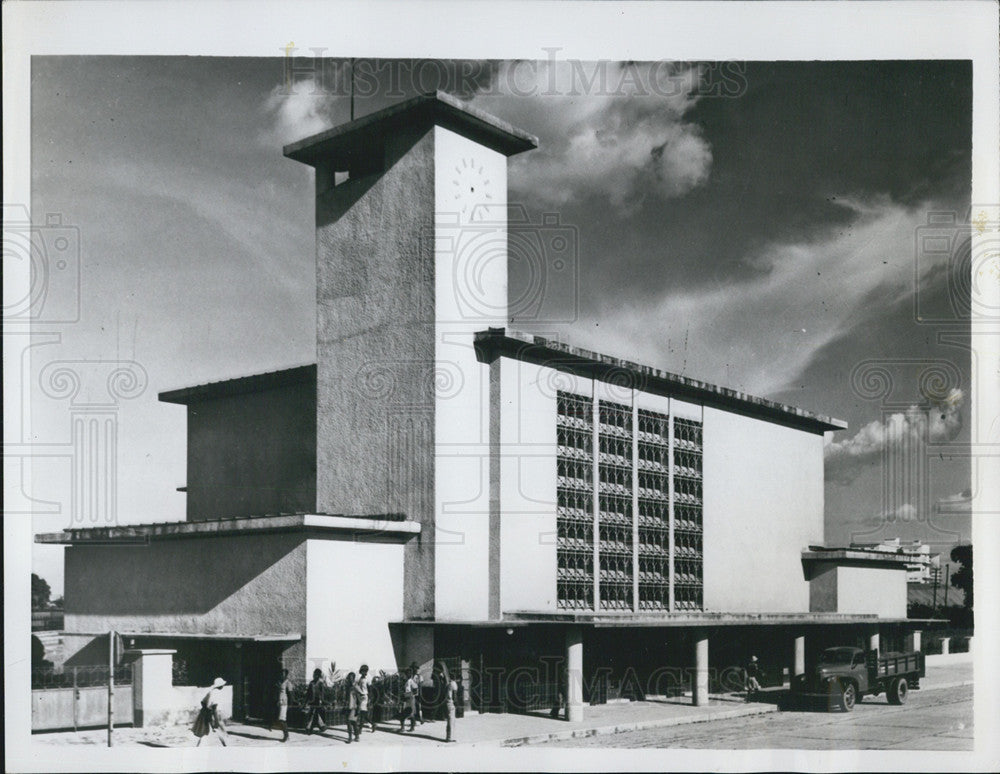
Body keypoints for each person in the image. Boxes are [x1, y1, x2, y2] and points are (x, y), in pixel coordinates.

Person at [192, 677, 228, 746]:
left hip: (206, 713)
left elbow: (202, 702)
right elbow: (214, 708)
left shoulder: (211, 691)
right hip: (212, 713)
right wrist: (216, 720)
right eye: (222, 685)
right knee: (219, 729)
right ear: (220, 686)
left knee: (203, 731)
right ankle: (225, 745)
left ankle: (197, 746)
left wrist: (205, 710)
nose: (223, 686)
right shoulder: (217, 693)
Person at [435, 661, 458, 743]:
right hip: (450, 703)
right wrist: (456, 704)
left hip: (446, 702)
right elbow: (455, 696)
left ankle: (450, 736)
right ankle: (449, 738)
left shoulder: (447, 684)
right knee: (451, 720)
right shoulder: (453, 684)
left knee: (450, 720)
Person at [269, 669, 292, 742]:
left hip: (284, 702)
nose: (282, 675)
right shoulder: (279, 682)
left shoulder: (288, 683)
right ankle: (286, 735)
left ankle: (286, 736)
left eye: (283, 674)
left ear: (286, 675)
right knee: (279, 719)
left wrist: (290, 704)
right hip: (279, 702)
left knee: (282, 719)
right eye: (281, 674)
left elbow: (290, 694)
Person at [305, 668, 328, 733]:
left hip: (318, 700)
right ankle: (322, 726)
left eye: (315, 674)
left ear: (318, 675)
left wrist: (323, 701)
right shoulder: (311, 683)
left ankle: (309, 728)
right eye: (314, 674)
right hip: (312, 700)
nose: (313, 675)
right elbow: (308, 693)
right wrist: (306, 701)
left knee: (313, 713)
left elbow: (323, 693)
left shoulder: (320, 683)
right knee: (314, 714)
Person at [351, 665, 370, 741]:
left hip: (364, 696)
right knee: (363, 713)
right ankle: (373, 724)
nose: (364, 672)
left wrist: (369, 698)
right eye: (363, 671)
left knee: (362, 713)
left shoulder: (366, 680)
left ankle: (360, 730)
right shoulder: (360, 679)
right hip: (361, 696)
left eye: (365, 671)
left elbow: (368, 689)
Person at [399, 667, 418, 733]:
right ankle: (412, 728)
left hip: (409, 699)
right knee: (411, 714)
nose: (406, 675)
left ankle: (403, 728)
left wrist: (405, 695)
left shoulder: (410, 681)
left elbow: (414, 691)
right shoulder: (409, 681)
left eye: (406, 674)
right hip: (410, 699)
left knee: (403, 715)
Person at [344, 672, 358, 744]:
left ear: (353, 678)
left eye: (351, 677)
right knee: (353, 722)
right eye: (349, 677)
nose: (349, 679)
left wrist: (358, 707)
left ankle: (350, 738)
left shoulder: (355, 686)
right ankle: (357, 736)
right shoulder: (348, 686)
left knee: (349, 721)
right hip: (349, 706)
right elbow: (347, 697)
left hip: (353, 706)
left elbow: (358, 696)